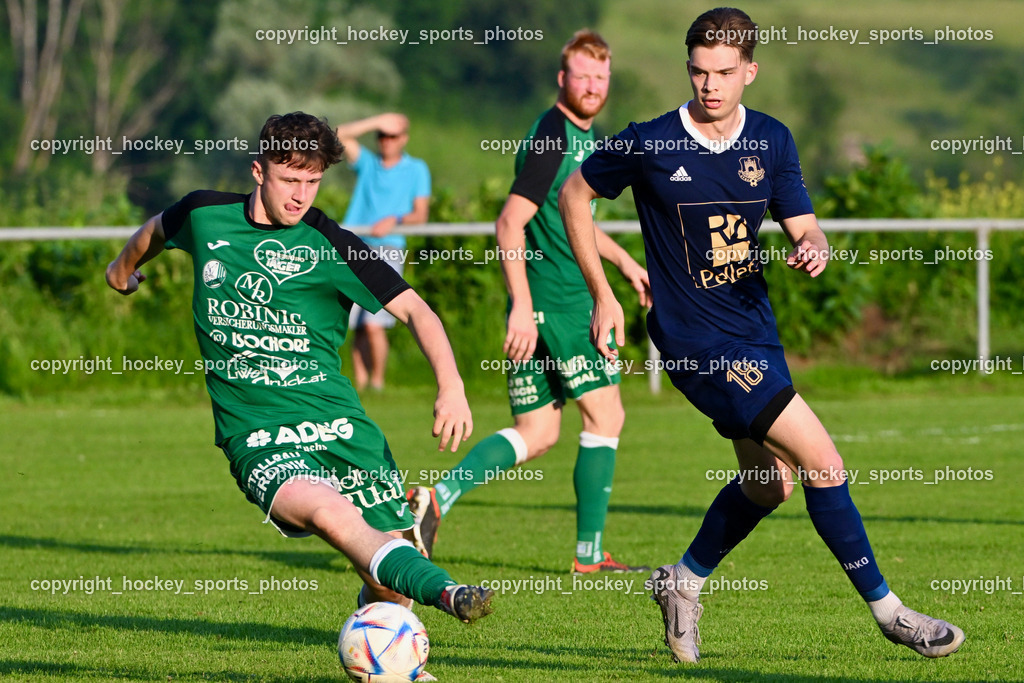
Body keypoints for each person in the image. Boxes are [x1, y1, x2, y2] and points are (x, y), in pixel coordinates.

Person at [558, 7, 963, 662]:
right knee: (824, 461)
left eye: (724, 72)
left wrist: (815, 246)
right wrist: (603, 293)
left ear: (750, 70)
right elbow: (573, 196)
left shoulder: (772, 140)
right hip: (694, 341)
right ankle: (892, 614)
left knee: (769, 483)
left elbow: (804, 224)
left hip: (754, 333)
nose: (709, 85)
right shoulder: (651, 141)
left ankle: (682, 582)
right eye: (699, 71)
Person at [105, 112, 493, 637]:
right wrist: (120, 272)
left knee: (389, 590)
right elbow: (155, 230)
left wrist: (452, 386)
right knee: (329, 513)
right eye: (290, 179)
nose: (301, 196)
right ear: (258, 171)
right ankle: (451, 593)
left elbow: (417, 311)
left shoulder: (331, 242)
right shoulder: (205, 214)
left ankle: (388, 631)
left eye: (313, 182)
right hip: (257, 433)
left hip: (340, 426)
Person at [406, 30, 652, 575]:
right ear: (562, 79)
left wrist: (623, 262)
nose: (593, 86)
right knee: (607, 414)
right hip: (559, 305)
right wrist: (522, 305)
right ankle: (589, 557)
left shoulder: (581, 135)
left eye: (601, 77)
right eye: (582, 76)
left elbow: (574, 219)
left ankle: (435, 499)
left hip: (546, 306)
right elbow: (509, 222)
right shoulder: (552, 135)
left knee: (538, 432)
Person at [335, 112, 430, 391]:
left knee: (375, 322)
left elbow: (420, 215)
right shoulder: (368, 163)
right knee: (356, 325)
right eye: (382, 136)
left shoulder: (416, 169)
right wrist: (377, 121)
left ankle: (378, 384)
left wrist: (395, 220)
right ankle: (361, 385)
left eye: (392, 136)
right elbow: (337, 135)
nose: (386, 141)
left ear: (404, 139)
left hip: (389, 247)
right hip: (356, 245)